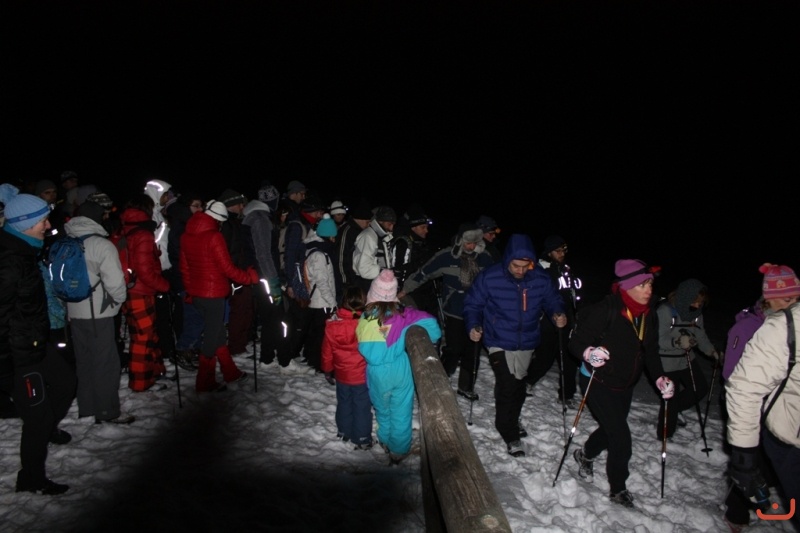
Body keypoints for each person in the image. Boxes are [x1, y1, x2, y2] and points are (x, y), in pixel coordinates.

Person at [568, 259, 673, 508]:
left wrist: (659, 377)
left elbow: (650, 351)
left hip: (624, 384)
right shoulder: (606, 310)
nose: (649, 290)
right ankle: (618, 489)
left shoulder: (649, 314)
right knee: (621, 437)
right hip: (597, 379)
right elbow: (576, 342)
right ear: (626, 286)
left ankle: (585, 454)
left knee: (610, 429)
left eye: (650, 284)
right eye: (642, 285)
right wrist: (589, 353)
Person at [0, 186, 77, 494]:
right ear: (24, 224)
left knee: (66, 382)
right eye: (42, 220)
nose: (48, 225)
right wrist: (6, 369)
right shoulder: (10, 262)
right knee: (36, 416)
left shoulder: (24, 250)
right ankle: (31, 478)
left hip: (34, 343)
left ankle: (44, 428)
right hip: (17, 355)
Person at [463, 233, 566, 458]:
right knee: (508, 384)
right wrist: (473, 325)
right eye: (516, 266)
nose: (520, 271)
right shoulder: (489, 277)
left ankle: (513, 416)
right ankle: (508, 432)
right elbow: (472, 304)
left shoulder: (540, 278)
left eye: (525, 266)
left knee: (518, 384)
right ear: (507, 260)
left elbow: (553, 300)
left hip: (527, 340)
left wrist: (558, 313)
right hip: (497, 339)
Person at [725, 263, 800, 531]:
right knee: (755, 461)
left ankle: (750, 502)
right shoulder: (754, 326)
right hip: (756, 409)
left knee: (766, 469)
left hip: (776, 411)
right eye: (784, 299)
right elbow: (735, 375)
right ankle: (736, 511)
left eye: (794, 298)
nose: (789, 304)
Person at [356, 269, 442, 463]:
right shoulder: (404, 315)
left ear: (372, 295)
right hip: (399, 369)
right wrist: (429, 338)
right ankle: (399, 449)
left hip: (376, 373)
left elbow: (367, 340)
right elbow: (432, 325)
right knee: (401, 411)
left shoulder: (364, 318)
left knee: (383, 408)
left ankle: (384, 439)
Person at [401, 222, 494, 400]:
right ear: (460, 240)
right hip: (454, 310)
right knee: (454, 348)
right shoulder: (446, 256)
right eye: (468, 242)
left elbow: (495, 281)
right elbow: (424, 273)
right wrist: (405, 289)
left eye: (475, 243)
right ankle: (439, 380)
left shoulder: (485, 258)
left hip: (478, 311)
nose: (471, 246)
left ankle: (466, 386)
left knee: (472, 350)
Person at [65, 201, 136, 424]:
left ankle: (87, 408)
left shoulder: (66, 242)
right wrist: (118, 301)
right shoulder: (101, 245)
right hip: (98, 313)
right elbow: (115, 282)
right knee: (105, 363)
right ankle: (107, 411)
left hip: (74, 311)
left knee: (84, 362)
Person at [180, 199, 258, 392]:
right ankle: (204, 381)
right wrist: (248, 278)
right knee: (211, 338)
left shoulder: (187, 235)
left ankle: (230, 371)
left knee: (218, 334)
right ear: (218, 220)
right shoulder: (214, 236)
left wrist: (190, 290)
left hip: (198, 294)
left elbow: (185, 268)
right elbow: (227, 268)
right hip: (213, 295)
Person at [119, 194, 172, 392]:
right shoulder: (143, 233)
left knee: (146, 333)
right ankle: (140, 381)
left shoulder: (125, 227)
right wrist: (164, 285)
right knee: (143, 338)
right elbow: (144, 270)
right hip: (140, 290)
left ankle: (154, 371)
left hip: (129, 288)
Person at [655, 278, 720, 439]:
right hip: (667, 361)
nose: (698, 305)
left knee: (700, 388)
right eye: (695, 301)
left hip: (686, 359)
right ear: (685, 297)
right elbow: (658, 339)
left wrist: (711, 351)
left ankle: (674, 410)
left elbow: (701, 336)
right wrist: (677, 342)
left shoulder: (696, 315)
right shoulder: (665, 311)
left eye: (701, 302)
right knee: (670, 397)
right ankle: (665, 436)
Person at [525, 235, 583, 409]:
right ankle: (527, 381)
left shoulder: (565, 269)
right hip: (547, 321)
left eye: (564, 250)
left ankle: (566, 395)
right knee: (545, 358)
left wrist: (575, 312)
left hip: (567, 319)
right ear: (549, 252)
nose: (562, 253)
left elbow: (572, 293)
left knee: (569, 358)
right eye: (558, 251)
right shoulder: (540, 269)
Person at [321, 285, 373, 449]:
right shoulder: (366, 324)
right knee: (362, 407)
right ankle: (362, 437)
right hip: (361, 376)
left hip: (342, 375)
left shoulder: (332, 324)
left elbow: (326, 351)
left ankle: (344, 431)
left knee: (344, 403)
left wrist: (327, 370)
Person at [217, 188, 253, 356]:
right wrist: (235, 275)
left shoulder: (235, 223)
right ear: (231, 205)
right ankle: (236, 346)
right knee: (239, 310)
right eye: (239, 204)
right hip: (235, 275)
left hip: (241, 273)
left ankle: (241, 342)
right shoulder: (226, 225)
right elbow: (229, 253)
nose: (242, 207)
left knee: (245, 309)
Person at [302, 214, 338, 373]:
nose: (334, 240)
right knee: (320, 336)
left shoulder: (314, 250)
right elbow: (322, 282)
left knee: (315, 333)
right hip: (321, 302)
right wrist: (332, 303)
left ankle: (311, 358)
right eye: (332, 236)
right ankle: (318, 363)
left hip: (318, 301)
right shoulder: (319, 255)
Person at [353, 205, 396, 294]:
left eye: (393, 224)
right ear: (380, 221)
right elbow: (364, 269)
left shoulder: (381, 237)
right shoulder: (368, 236)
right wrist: (384, 272)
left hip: (377, 284)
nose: (391, 228)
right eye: (389, 224)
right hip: (367, 285)